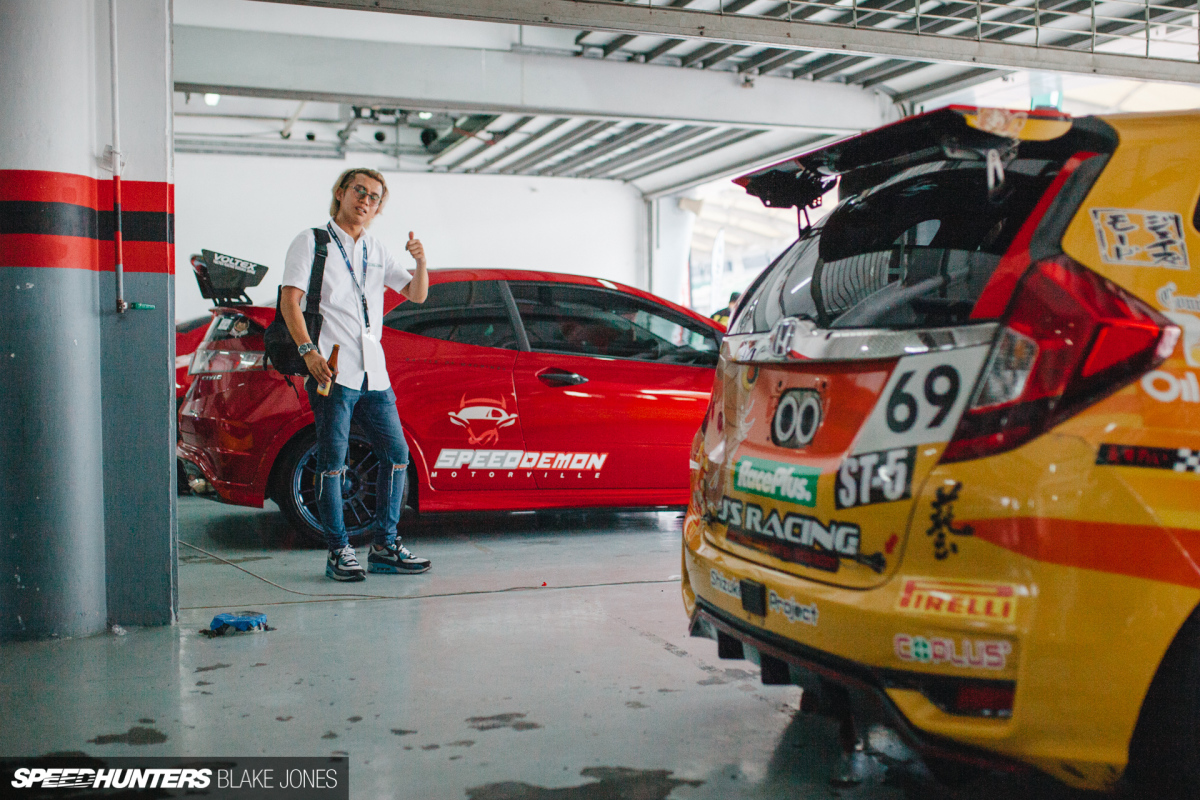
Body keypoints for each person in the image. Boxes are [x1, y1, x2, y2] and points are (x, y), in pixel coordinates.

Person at [280, 168, 432, 581]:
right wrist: (308, 352)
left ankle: (385, 546)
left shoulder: (377, 248)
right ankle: (338, 551)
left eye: (374, 196)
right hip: (333, 370)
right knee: (333, 463)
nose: (366, 200)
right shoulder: (312, 241)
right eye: (359, 191)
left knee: (396, 455)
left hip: (374, 373)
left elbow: (416, 294)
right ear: (341, 193)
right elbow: (290, 301)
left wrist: (420, 262)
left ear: (379, 207)